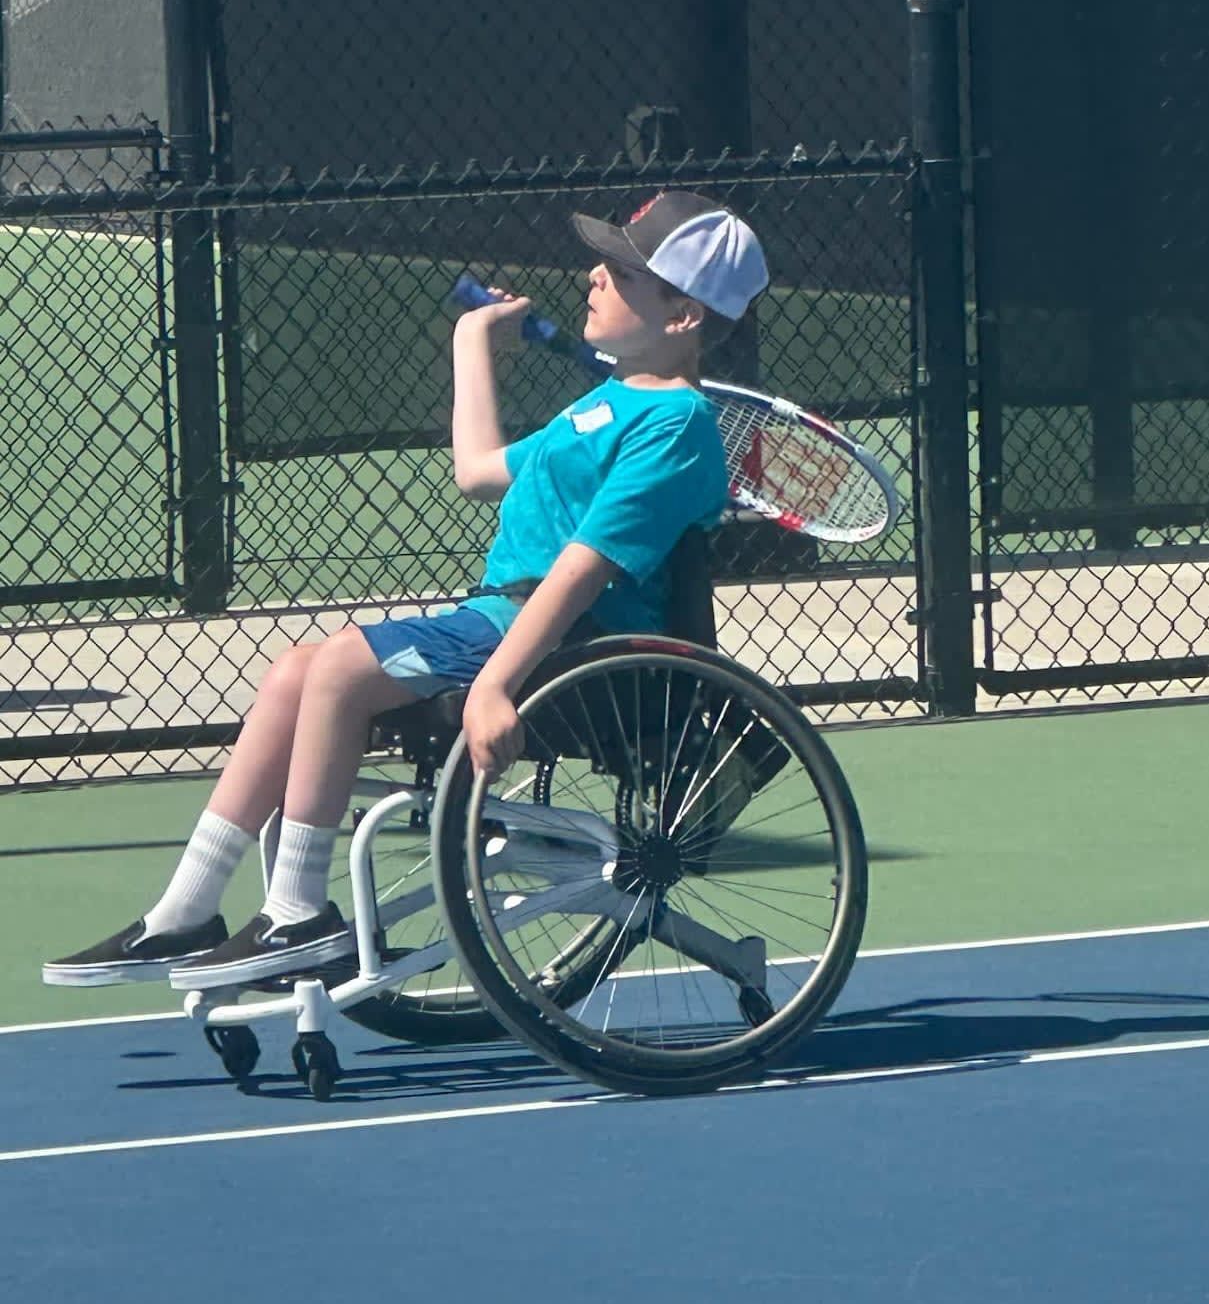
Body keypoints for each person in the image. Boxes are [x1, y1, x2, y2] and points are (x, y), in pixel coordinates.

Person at [43, 189, 769, 991]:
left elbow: (583, 568)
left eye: (629, 273)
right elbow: (478, 471)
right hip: (503, 616)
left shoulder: (675, 427)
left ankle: (297, 914)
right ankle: (184, 912)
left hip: (564, 643)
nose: (597, 276)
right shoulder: (604, 405)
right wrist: (472, 342)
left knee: (338, 671)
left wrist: (494, 685)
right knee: (293, 671)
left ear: (683, 317)